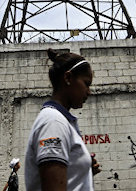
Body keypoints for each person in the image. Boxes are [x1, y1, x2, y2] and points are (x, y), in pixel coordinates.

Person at [24, 49, 101, 191]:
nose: (89, 92)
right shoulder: (53, 123)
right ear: (68, 78)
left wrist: (83, 171)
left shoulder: (61, 121)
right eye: (86, 83)